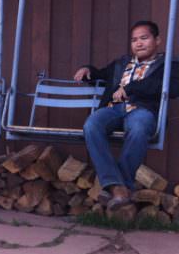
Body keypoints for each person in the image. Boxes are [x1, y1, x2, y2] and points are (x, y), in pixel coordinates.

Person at [73, 20, 179, 210]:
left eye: (144, 38)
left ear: (158, 40)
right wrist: (88, 69)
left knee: (139, 128)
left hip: (142, 110)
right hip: (114, 109)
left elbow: (172, 88)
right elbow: (100, 74)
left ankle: (117, 189)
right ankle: (118, 186)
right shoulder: (121, 63)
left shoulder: (169, 64)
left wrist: (130, 89)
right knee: (92, 125)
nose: (138, 43)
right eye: (134, 40)